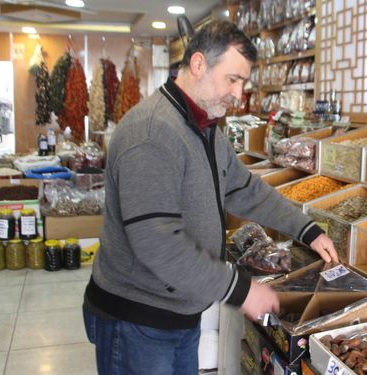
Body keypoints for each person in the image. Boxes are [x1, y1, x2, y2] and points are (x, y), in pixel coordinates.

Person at [82, 20, 338, 375]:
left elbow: (243, 189)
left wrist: (307, 229)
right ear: (199, 64)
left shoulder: (202, 127)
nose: (238, 93)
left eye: (243, 83)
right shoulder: (152, 132)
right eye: (232, 79)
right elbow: (157, 243)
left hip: (178, 314)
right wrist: (241, 290)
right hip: (137, 320)